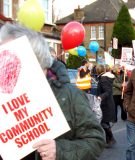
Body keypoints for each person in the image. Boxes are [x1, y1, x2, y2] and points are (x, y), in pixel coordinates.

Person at [0, 23, 106, 160]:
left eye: (9, 54)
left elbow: (95, 140)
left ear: (38, 61)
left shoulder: (70, 96)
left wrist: (59, 150)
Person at [96, 64, 117, 147]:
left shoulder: (103, 78)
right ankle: (108, 140)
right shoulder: (104, 77)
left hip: (106, 104)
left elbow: (107, 91)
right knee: (105, 122)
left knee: (103, 122)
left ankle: (111, 139)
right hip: (106, 103)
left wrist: (100, 97)